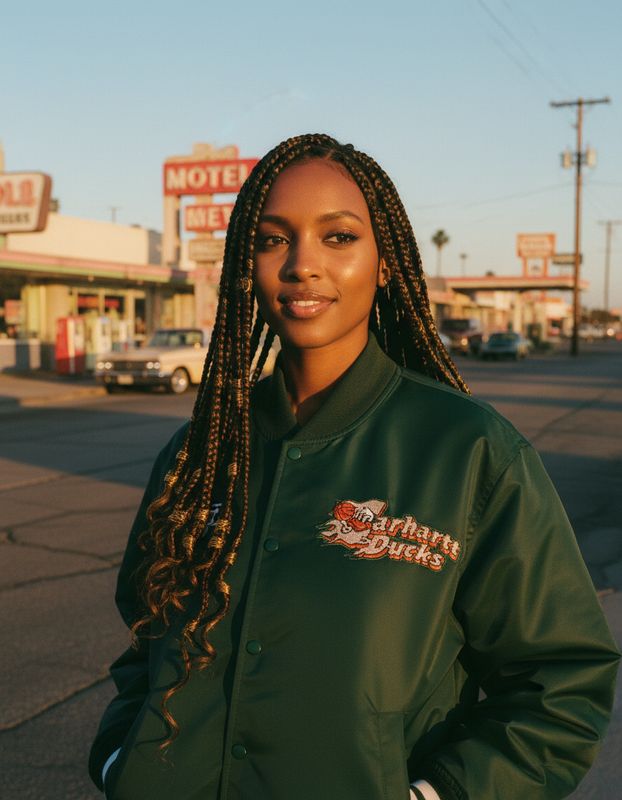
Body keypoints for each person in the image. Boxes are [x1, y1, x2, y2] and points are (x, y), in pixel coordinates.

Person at [89, 133, 620, 800]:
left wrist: (439, 796)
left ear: (387, 262)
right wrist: (118, 760)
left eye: (337, 237)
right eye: (272, 238)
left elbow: (561, 683)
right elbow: (146, 640)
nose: (301, 264)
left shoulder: (468, 450)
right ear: (244, 266)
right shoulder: (201, 451)